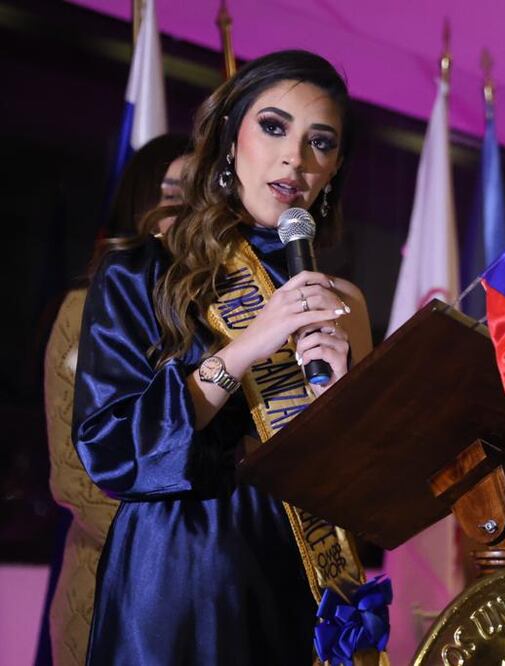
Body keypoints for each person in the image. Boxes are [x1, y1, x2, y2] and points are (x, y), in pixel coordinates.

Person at [73, 51, 376, 665]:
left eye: (321, 142)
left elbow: (363, 489)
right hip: (176, 577)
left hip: (296, 578)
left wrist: (342, 402)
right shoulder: (139, 274)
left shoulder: (339, 301)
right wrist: (245, 349)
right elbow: (110, 448)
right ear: (231, 139)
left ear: (335, 169)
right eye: (273, 127)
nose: (295, 157)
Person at [43, 133, 191, 666]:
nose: (186, 211)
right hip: (108, 590)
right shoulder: (87, 310)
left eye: (201, 197)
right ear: (139, 203)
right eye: (171, 192)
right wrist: (187, 545)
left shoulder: (222, 317)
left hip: (203, 602)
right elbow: (75, 477)